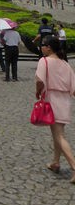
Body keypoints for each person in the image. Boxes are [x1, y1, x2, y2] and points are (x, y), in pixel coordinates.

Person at [35, 35, 75, 183]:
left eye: (42, 45)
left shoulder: (44, 61)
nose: (41, 47)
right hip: (64, 101)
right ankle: (55, 162)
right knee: (58, 133)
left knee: (59, 136)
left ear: (49, 47)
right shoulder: (66, 64)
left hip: (52, 100)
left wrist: (38, 92)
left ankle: (74, 167)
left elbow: (39, 81)